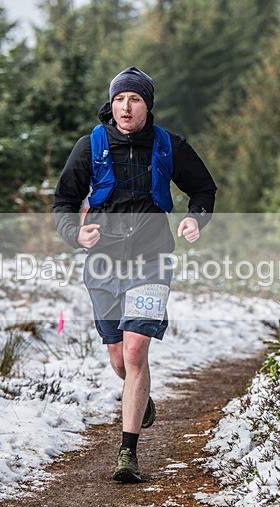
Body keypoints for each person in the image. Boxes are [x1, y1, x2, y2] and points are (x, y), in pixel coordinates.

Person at [53, 66, 217, 483]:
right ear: (112, 104)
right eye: (120, 99)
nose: (126, 106)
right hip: (103, 262)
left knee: (134, 353)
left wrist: (196, 219)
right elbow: (64, 200)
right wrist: (76, 234)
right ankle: (139, 396)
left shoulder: (169, 146)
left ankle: (128, 453)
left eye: (135, 99)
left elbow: (203, 189)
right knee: (117, 358)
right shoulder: (91, 146)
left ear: (147, 105)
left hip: (151, 259)